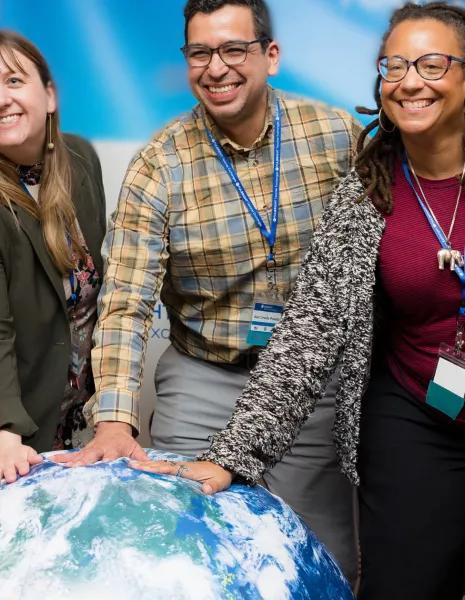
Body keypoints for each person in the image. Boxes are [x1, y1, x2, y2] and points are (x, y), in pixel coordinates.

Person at [134, 2, 465, 599]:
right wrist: (234, 455)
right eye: (395, 65)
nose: (410, 80)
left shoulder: (330, 135)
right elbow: (311, 329)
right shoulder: (370, 184)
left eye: (433, 63)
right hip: (419, 409)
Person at [55, 0, 361, 583]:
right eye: (200, 53)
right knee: (187, 554)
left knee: (318, 563)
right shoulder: (159, 164)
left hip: (308, 387)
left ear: (270, 56)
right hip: (203, 376)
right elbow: (126, 299)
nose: (216, 68)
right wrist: (115, 420)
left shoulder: (335, 136)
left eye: (233, 49)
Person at [0, 31, 106, 490]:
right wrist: (4, 434)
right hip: (12, 437)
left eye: (13, 80)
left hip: (80, 424)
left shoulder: (82, 159)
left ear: (49, 95)